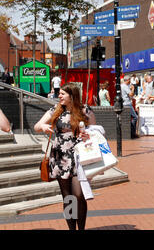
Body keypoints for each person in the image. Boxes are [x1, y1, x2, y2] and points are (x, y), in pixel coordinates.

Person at [34, 83, 96, 230]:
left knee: (79, 195)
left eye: (62, 94)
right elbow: (37, 126)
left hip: (79, 158)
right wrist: (43, 127)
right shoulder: (55, 110)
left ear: (72, 95)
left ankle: (81, 228)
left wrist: (89, 135)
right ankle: (72, 229)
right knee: (68, 197)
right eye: (59, 93)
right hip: (60, 158)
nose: (59, 96)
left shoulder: (85, 110)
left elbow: (97, 131)